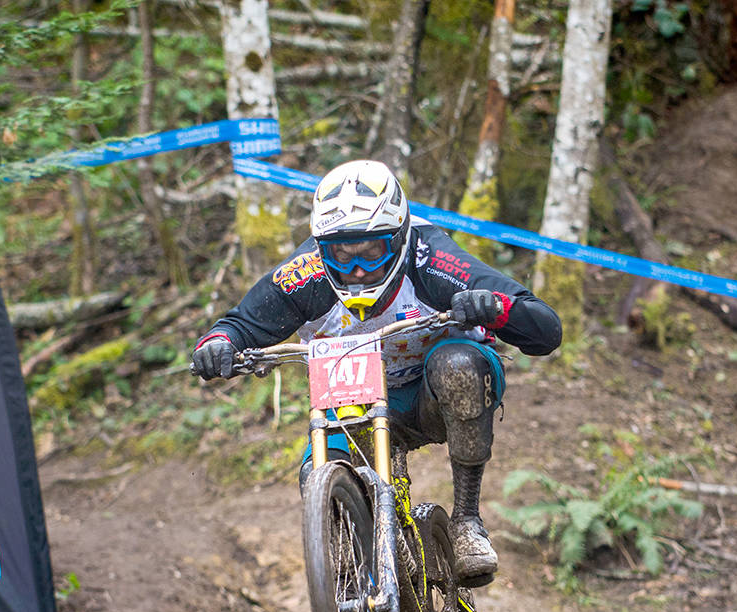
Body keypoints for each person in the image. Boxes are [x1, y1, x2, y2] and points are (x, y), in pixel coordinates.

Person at [193, 160, 561, 587]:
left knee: (459, 365)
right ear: (321, 247)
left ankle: (466, 521)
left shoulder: (432, 261)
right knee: (315, 475)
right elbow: (239, 324)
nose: (358, 270)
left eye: (372, 252)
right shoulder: (306, 276)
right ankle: (352, 583)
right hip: (355, 400)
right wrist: (216, 347)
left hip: (433, 396)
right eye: (341, 255)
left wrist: (496, 308)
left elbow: (545, 329)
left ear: (401, 239)